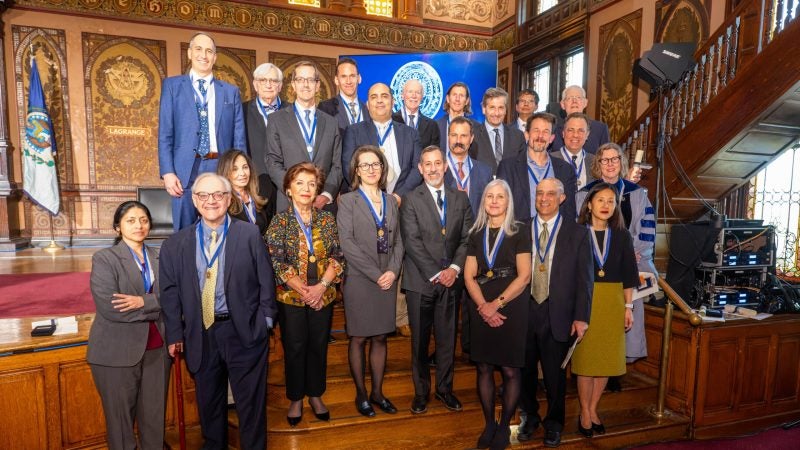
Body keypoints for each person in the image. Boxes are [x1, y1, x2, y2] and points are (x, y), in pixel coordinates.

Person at [159, 173, 277, 449]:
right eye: (203, 195)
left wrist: (266, 321)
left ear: (229, 199)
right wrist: (175, 333)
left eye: (218, 195)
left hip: (245, 333)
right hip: (201, 335)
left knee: (251, 410)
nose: (211, 201)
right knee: (210, 410)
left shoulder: (248, 234)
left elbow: (266, 280)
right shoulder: (175, 245)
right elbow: (170, 294)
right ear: (194, 200)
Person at [265, 163, 345, 425]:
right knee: (295, 347)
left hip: (324, 295)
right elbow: (277, 262)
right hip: (291, 298)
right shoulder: (280, 221)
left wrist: (321, 287)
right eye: (299, 183)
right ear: (288, 189)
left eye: (311, 184)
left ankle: (316, 395)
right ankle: (296, 398)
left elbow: (337, 255)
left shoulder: (326, 219)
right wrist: (304, 290)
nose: (306, 189)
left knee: (318, 346)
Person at [516, 177, 593, 448]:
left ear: (562, 198)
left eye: (550, 194)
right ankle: (530, 417)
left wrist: (582, 317)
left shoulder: (579, 233)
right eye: (539, 193)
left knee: (554, 374)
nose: (544, 198)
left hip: (558, 312)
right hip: (524, 311)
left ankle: (555, 422)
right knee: (523, 371)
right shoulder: (519, 229)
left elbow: (586, 280)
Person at [88, 201, 170, 450]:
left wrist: (141, 302)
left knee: (154, 419)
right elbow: (111, 307)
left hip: (158, 349)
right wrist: (156, 307)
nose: (139, 225)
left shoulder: (160, 256)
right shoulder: (105, 259)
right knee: (121, 425)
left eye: (143, 220)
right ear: (117, 227)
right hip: (116, 352)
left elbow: (175, 296)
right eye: (131, 220)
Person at [400, 145, 474, 415]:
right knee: (419, 342)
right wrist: (436, 273)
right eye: (427, 164)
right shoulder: (410, 199)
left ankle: (445, 389)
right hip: (421, 282)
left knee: (446, 340)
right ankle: (421, 393)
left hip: (452, 282)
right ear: (420, 169)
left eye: (437, 163)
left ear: (445, 166)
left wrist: (454, 269)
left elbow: (467, 238)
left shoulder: (461, 199)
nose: (432, 168)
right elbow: (412, 242)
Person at [576, 143, 656, 385]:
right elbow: (578, 228)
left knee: (628, 310)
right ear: (597, 165)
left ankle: (616, 364)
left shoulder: (637, 193)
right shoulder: (584, 193)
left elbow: (647, 229)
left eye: (614, 159)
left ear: (622, 163)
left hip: (630, 260)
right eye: (604, 160)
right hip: (594, 263)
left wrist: (633, 252)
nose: (610, 164)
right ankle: (591, 361)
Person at [463, 179, 531, 449]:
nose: (493, 201)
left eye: (499, 197)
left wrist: (496, 304)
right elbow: (469, 276)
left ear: (508, 201)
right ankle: (489, 422)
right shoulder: (475, 233)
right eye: (489, 196)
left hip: (511, 305)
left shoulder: (519, 232)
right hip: (480, 303)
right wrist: (483, 306)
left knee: (511, 370)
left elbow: (524, 276)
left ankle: (504, 426)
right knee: (484, 367)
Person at [337, 146, 405, 417]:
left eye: (375, 164)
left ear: (382, 168)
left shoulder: (391, 201)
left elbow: (399, 240)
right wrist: (377, 274)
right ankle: (361, 395)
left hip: (387, 278)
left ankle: (378, 392)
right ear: (356, 171)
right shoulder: (348, 201)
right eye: (364, 165)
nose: (371, 169)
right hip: (360, 279)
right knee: (359, 338)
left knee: (380, 337)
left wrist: (392, 270)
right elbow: (347, 244)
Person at [158, 32, 246, 231]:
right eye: (198, 49)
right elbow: (165, 133)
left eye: (209, 51)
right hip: (184, 172)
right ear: (189, 53)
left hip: (220, 167)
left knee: (220, 227)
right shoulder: (172, 86)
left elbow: (238, 136)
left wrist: (239, 172)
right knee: (185, 232)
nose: (203, 55)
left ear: (215, 57)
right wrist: (168, 172)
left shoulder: (230, 92)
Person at [571, 182, 638, 438]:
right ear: (589, 204)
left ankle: (592, 409)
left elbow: (629, 274)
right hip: (584, 301)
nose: (606, 205)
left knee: (605, 362)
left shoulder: (622, 235)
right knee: (586, 362)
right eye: (601, 200)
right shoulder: (576, 233)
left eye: (611, 201)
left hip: (612, 302)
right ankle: (584, 413)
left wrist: (628, 307)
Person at [444, 116, 492, 356]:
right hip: (447, 247)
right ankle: (447, 351)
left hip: (476, 245)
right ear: (448, 137)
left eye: (464, 136)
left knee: (474, 299)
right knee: (449, 305)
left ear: (471, 139)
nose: (458, 141)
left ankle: (472, 347)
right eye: (454, 135)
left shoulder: (484, 171)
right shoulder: (438, 169)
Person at [266, 61, 342, 212]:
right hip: (289, 204)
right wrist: (294, 191)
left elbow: (337, 165)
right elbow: (273, 162)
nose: (305, 84)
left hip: (322, 206)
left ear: (317, 85)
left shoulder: (331, 123)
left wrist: (326, 194)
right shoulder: (276, 120)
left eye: (310, 80)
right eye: (300, 80)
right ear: (293, 85)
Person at [342, 82, 422, 199]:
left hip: (402, 202)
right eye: (374, 97)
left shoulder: (411, 133)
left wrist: (399, 196)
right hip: (365, 203)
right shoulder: (354, 131)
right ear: (368, 105)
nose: (379, 100)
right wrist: (370, 196)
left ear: (393, 102)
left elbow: (417, 169)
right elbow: (349, 168)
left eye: (384, 96)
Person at [497, 112, 576, 223]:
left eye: (545, 132)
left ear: (551, 138)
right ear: (527, 135)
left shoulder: (566, 170)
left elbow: (569, 212)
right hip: (519, 234)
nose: (540, 136)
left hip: (555, 235)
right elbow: (501, 207)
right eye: (536, 130)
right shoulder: (508, 167)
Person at [243, 62, 284, 184]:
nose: (268, 85)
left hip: (285, 180)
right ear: (255, 85)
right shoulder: (242, 111)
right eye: (263, 80)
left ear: (280, 85)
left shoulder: (292, 111)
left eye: (273, 81)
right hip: (254, 180)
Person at [216, 149, 274, 234]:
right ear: (225, 172)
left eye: (245, 167)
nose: (242, 173)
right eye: (234, 169)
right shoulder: (222, 202)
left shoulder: (261, 192)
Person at [471, 87, 526, 174]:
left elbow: (522, 169)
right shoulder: (472, 135)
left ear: (505, 110)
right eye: (492, 107)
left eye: (501, 108)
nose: (496, 113)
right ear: (484, 109)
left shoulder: (518, 136)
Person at [549, 85, 610, 155]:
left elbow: (606, 157)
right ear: (562, 104)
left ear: (585, 103)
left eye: (578, 98)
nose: (574, 101)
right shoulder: (553, 128)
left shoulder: (600, 129)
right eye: (569, 98)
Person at [319, 57, 370, 134]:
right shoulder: (326, 108)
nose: (348, 81)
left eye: (352, 76)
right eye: (344, 76)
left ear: (359, 79)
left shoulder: (369, 109)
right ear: (336, 80)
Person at [550, 112, 596, 191]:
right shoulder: (549, 159)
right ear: (563, 133)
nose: (575, 135)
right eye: (571, 130)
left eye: (580, 131)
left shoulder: (595, 161)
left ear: (587, 135)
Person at [392, 78, 440, 149]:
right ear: (402, 95)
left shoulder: (432, 126)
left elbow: (434, 155)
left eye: (418, 92)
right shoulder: (391, 120)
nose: (414, 96)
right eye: (410, 91)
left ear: (422, 97)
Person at [436, 82, 478, 153]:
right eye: (454, 95)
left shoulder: (477, 127)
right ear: (448, 99)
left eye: (461, 95)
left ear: (467, 101)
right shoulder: (436, 126)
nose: (457, 99)